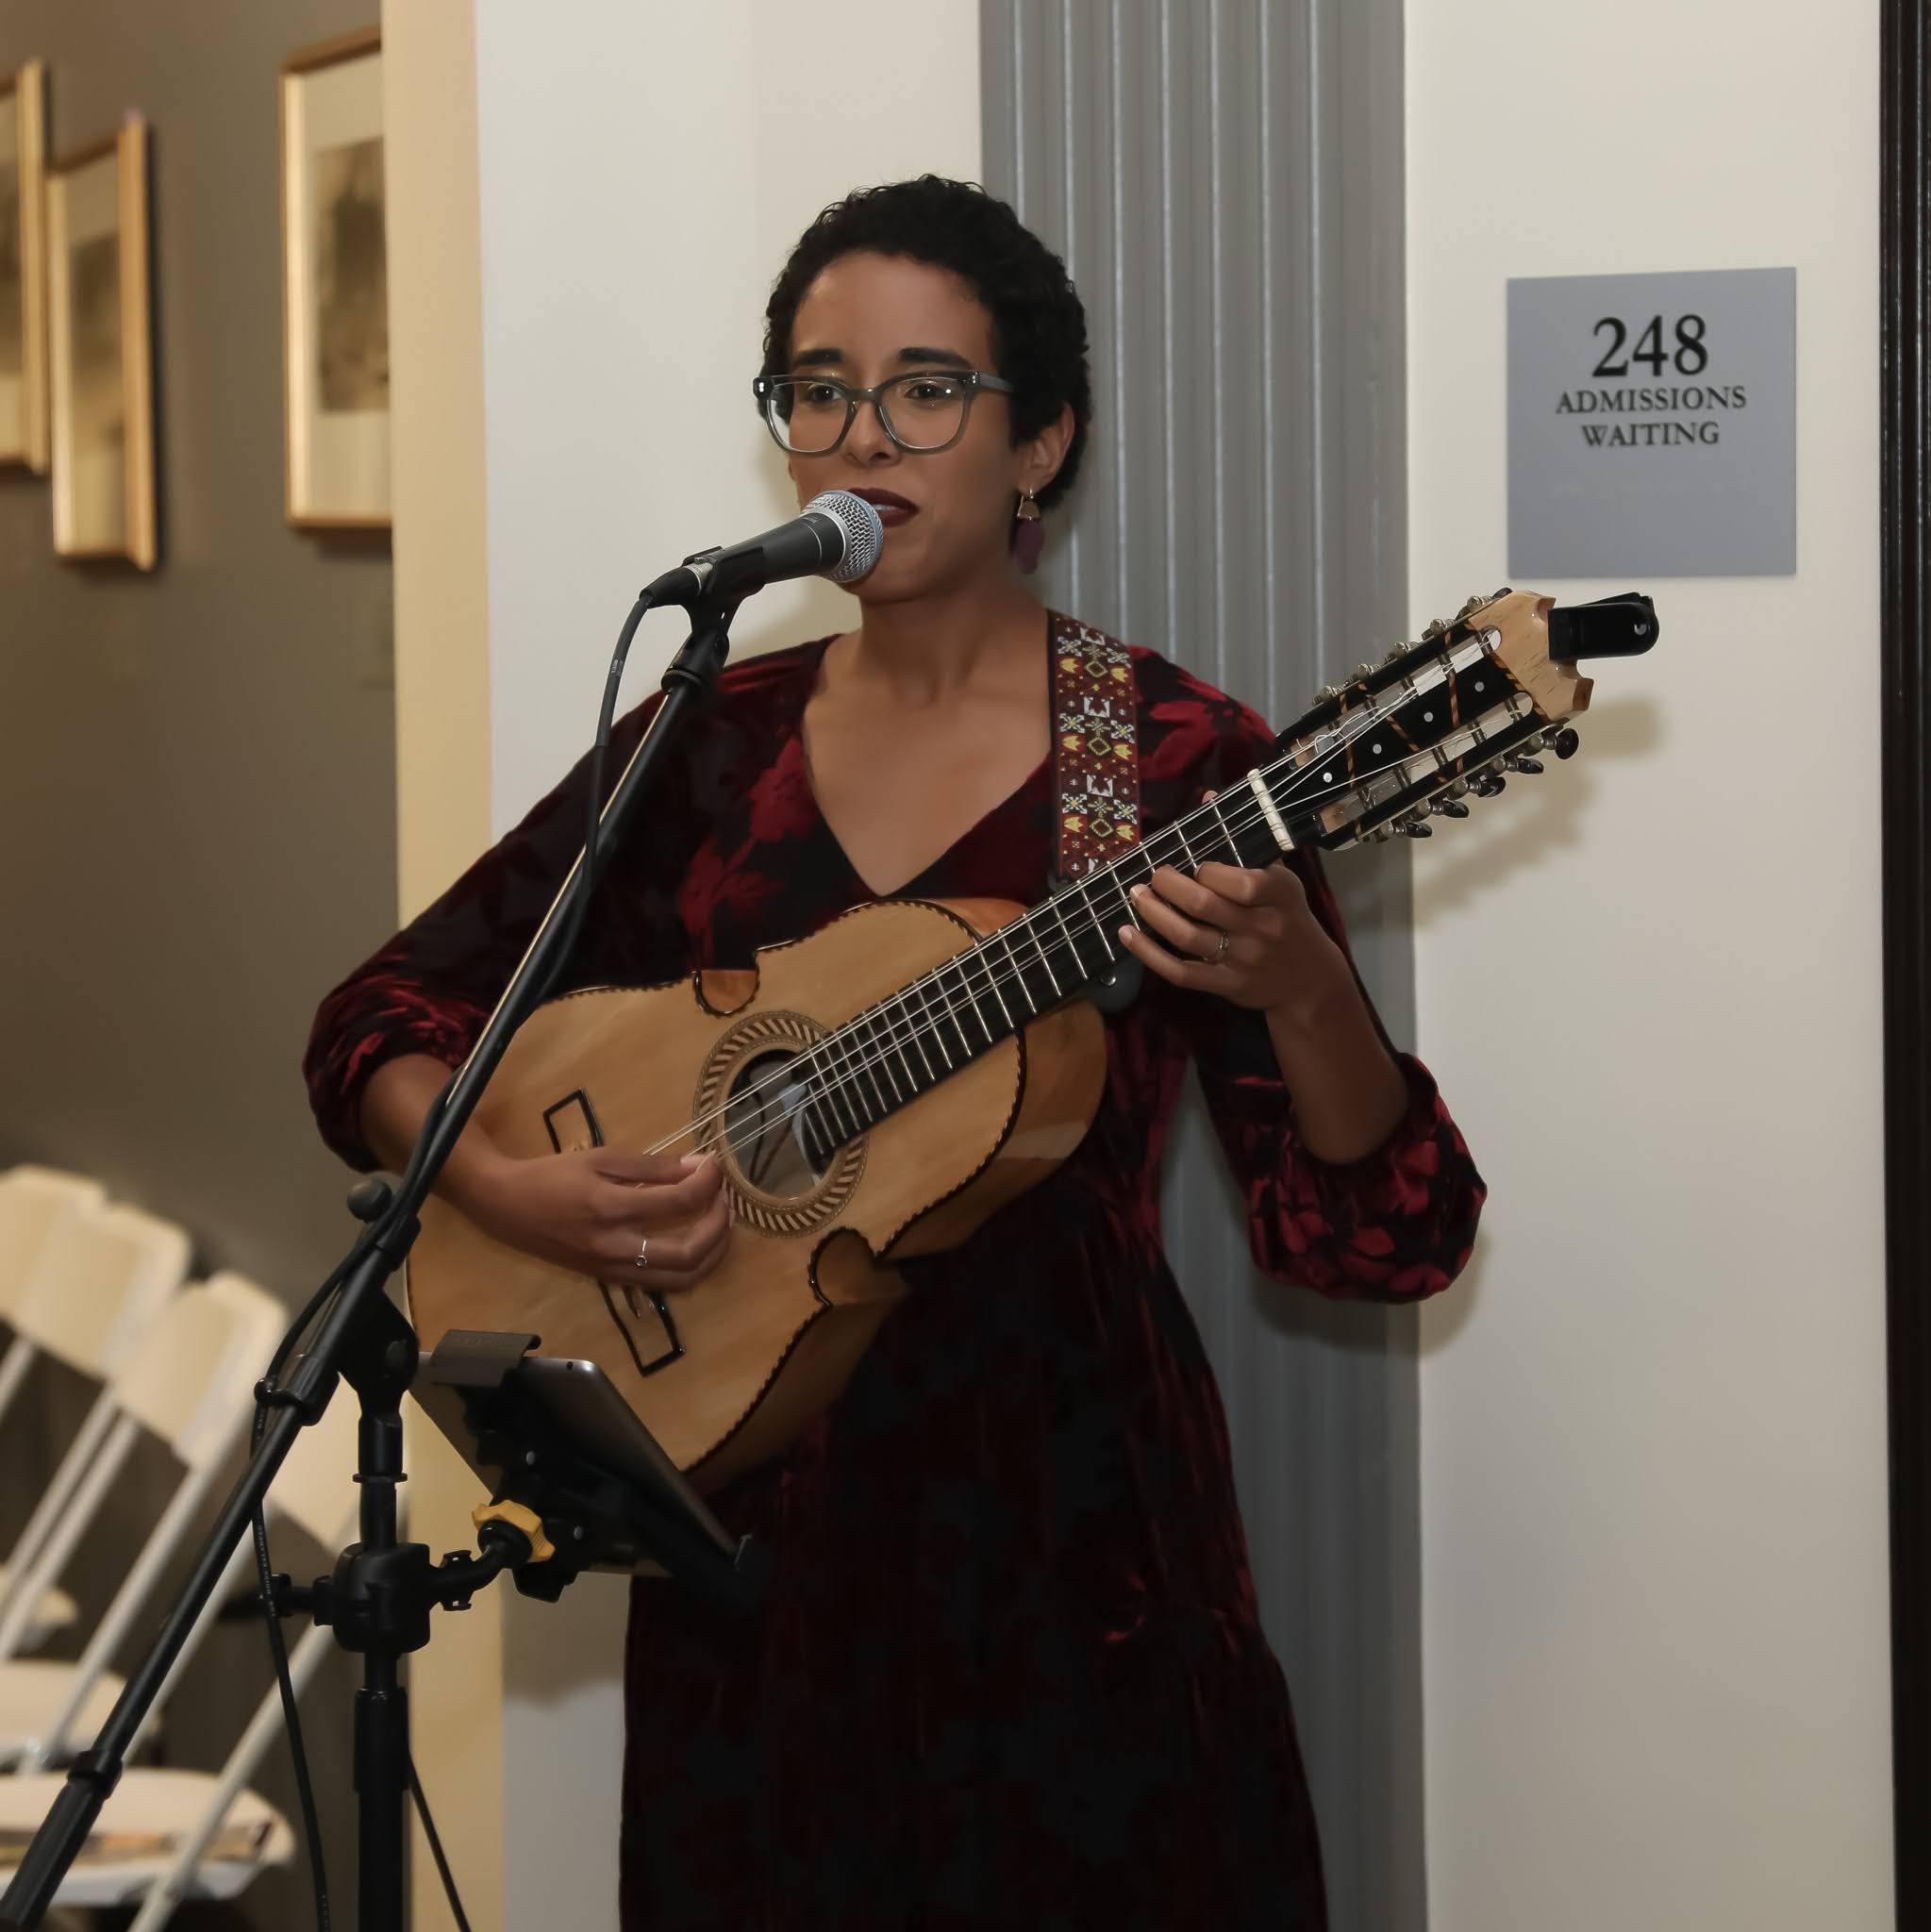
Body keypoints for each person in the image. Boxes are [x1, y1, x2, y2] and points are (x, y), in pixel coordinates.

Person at [305, 175, 1484, 1931]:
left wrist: (1307, 990)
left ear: (1043, 439)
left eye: (930, 389)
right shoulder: (709, 743)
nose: (868, 436)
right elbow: (381, 1021)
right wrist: (502, 1179)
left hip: (1079, 1556)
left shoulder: (1162, 762)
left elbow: (1380, 1240)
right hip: (757, 1572)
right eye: (820, 390)